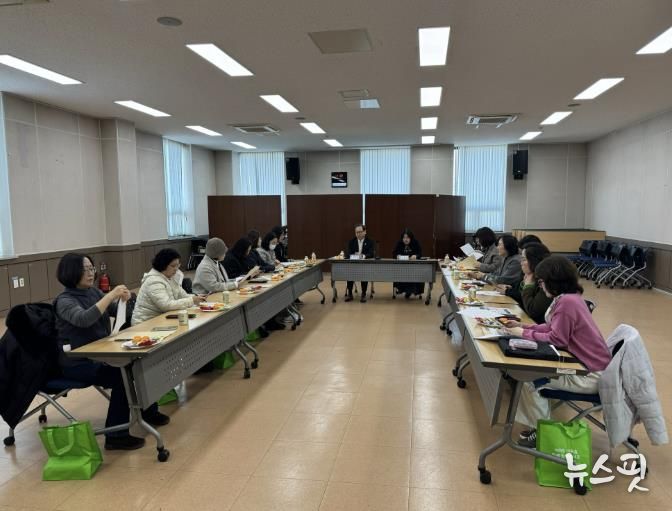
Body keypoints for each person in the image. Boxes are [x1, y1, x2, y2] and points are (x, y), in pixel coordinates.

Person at [53, 253, 169, 451]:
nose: (91, 273)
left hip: (101, 353)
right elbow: (83, 319)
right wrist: (109, 295)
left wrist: (127, 300)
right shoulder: (64, 301)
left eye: (91, 268)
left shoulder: (92, 292)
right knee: (122, 376)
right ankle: (115, 436)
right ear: (71, 272)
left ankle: (149, 412)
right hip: (77, 362)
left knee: (139, 364)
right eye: (85, 269)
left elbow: (115, 310)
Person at [504, 255, 612, 448]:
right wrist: (524, 327)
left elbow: (557, 339)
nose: (541, 285)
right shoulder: (570, 298)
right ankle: (538, 425)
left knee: (529, 379)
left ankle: (541, 431)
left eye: (542, 281)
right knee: (532, 372)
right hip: (590, 367)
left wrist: (523, 333)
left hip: (590, 376)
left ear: (553, 281)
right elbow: (551, 327)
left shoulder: (567, 302)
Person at [132, 249, 205, 325]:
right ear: (163, 265)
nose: (176, 269)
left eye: (178, 265)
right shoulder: (153, 281)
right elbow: (166, 305)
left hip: (161, 318)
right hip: (145, 323)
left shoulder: (170, 277)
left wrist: (197, 297)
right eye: (173, 266)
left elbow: (183, 295)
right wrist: (192, 300)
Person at [497, 242, 553, 324]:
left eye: (524, 259)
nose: (521, 262)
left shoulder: (546, 281)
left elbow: (532, 311)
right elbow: (521, 297)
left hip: (536, 325)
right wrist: (510, 290)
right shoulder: (528, 275)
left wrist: (528, 286)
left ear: (534, 261)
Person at [345, 224, 375, 303]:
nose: (358, 234)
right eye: (357, 232)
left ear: (365, 232)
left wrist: (363, 256)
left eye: (360, 232)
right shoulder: (352, 241)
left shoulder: (370, 241)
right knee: (349, 272)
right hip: (353, 265)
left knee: (364, 272)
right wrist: (355, 255)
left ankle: (363, 294)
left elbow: (371, 253)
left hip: (365, 265)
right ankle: (350, 293)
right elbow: (348, 254)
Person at [393, 229, 424, 298]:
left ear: (411, 238)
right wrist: (397, 256)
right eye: (404, 238)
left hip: (414, 267)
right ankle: (404, 290)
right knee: (400, 273)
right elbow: (394, 253)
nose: (405, 239)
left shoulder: (415, 243)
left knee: (415, 273)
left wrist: (416, 256)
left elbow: (420, 253)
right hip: (402, 267)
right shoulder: (399, 243)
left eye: (407, 238)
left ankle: (411, 291)